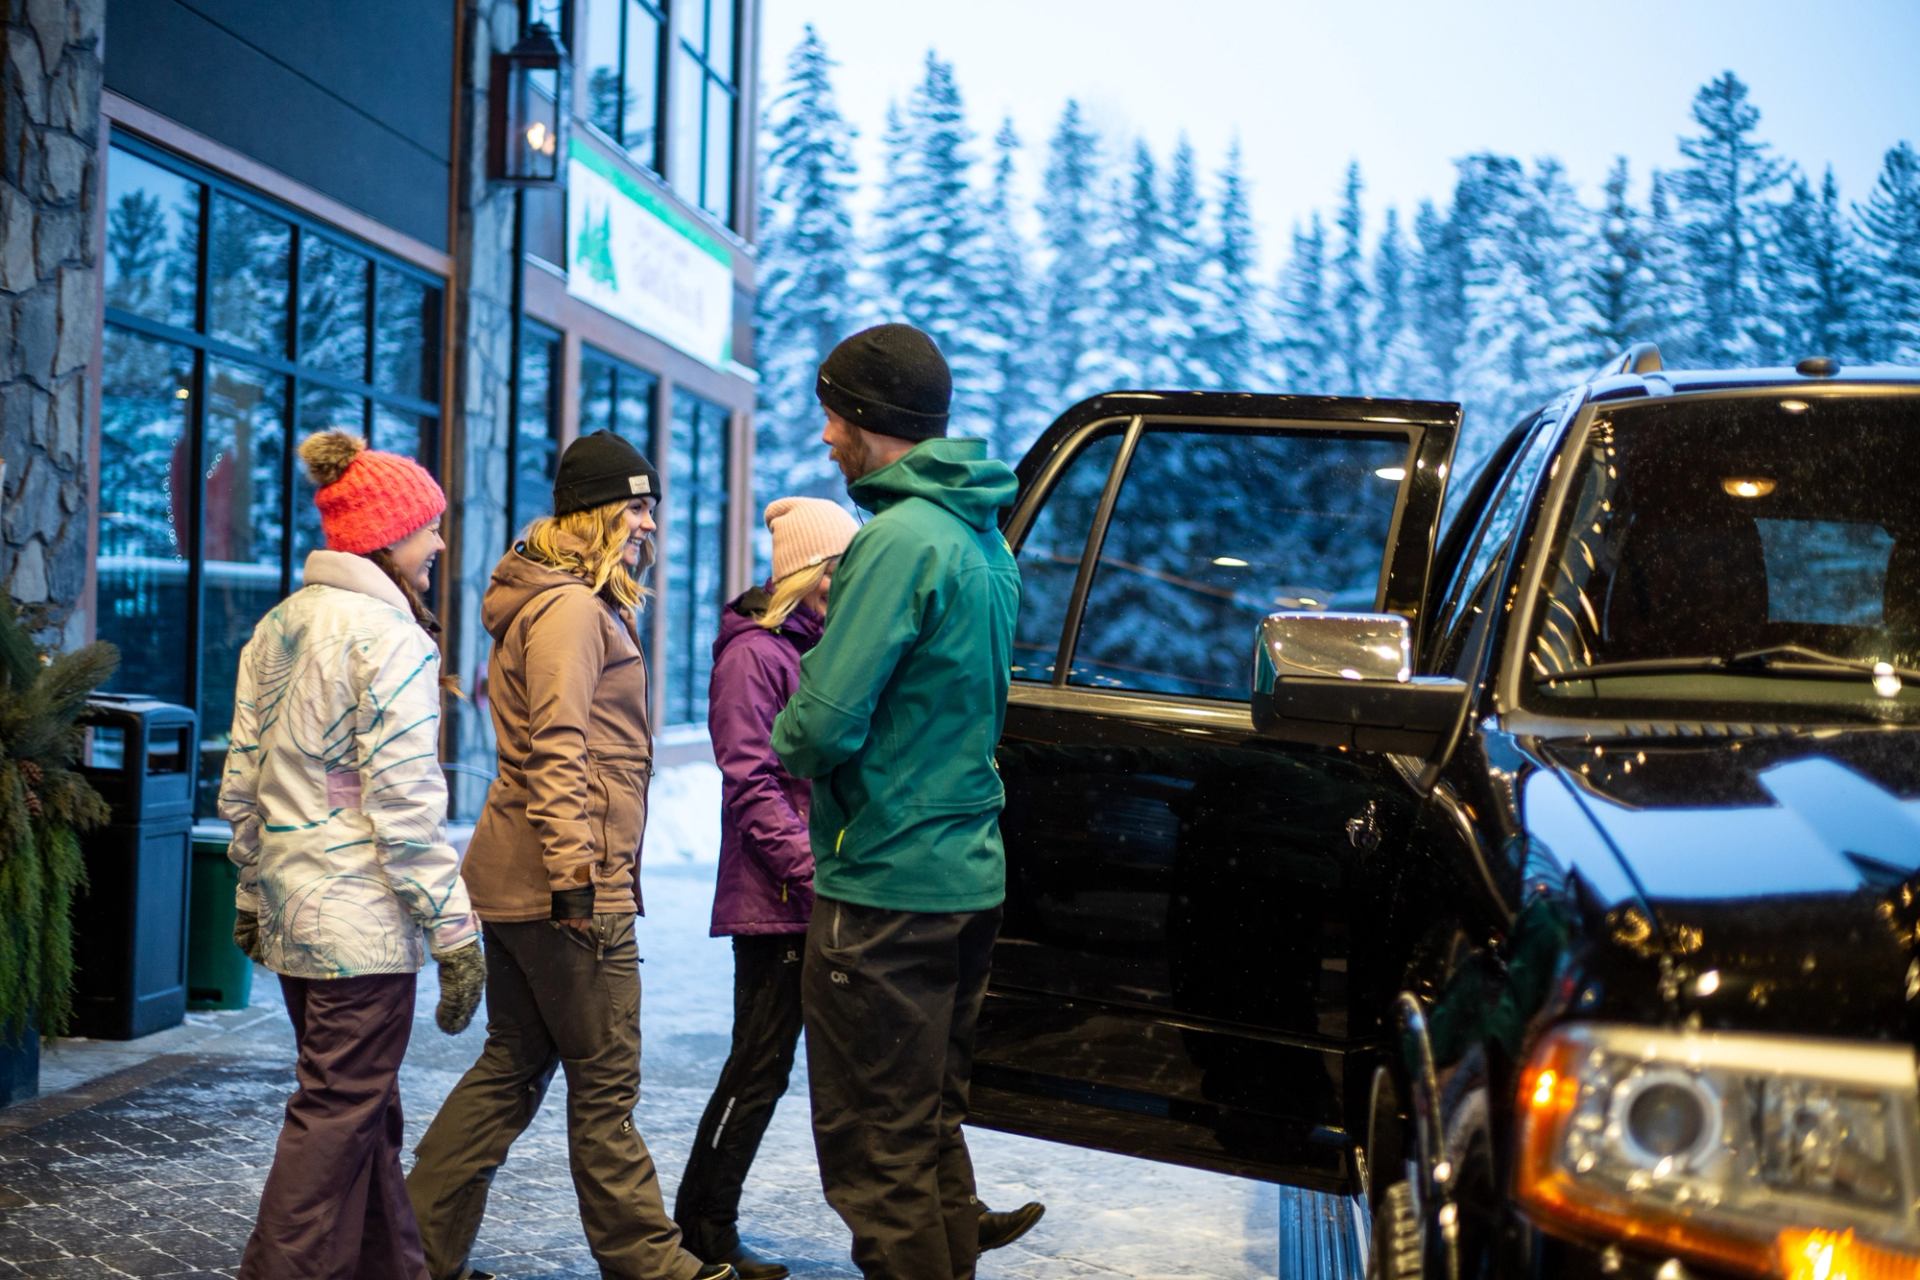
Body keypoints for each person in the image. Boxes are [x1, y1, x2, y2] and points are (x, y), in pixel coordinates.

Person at [676, 497, 1045, 1280]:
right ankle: (702, 1226)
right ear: (814, 574)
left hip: (838, 886)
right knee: (759, 1068)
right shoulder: (756, 654)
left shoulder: (830, 644)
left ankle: (956, 1215)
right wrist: (811, 877)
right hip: (783, 900)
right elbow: (752, 781)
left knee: (895, 1074)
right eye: (847, 568)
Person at [405, 430, 733, 1280]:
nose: (649, 526)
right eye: (636, 508)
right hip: (565, 886)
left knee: (511, 1067)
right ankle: (651, 1268)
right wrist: (578, 882)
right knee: (605, 1085)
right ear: (596, 514)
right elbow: (557, 748)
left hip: (529, 879)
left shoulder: (564, 602)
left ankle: (411, 1254)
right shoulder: (571, 612)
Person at [770, 324, 1025, 1280]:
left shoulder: (897, 540)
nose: (827, 437)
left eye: (833, 415)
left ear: (872, 419)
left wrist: (786, 731)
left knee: (876, 1156)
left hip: (882, 887)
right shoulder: (978, 537)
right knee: (925, 1134)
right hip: (964, 879)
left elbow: (823, 722)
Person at [221, 430, 485, 1280]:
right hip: (361, 924)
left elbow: (244, 779)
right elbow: (406, 808)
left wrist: (252, 895)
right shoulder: (390, 638)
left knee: (365, 1112)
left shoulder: (280, 626)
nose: (440, 543)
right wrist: (455, 933)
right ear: (387, 531)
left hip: (300, 914)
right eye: (429, 526)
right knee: (339, 1111)